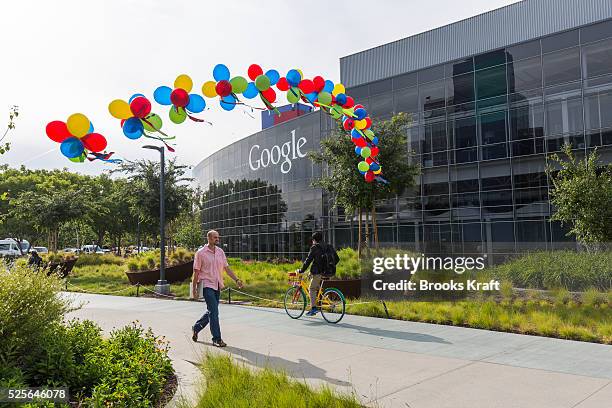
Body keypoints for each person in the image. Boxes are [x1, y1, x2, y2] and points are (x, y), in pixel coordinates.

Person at [191, 230, 243, 347]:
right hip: (206, 285)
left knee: (211, 311)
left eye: (218, 237)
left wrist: (237, 279)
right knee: (214, 311)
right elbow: (196, 272)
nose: (217, 239)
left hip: (217, 284)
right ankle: (217, 339)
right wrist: (194, 289)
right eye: (215, 237)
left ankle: (196, 327)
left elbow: (227, 268)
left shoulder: (220, 252)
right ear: (208, 238)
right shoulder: (200, 253)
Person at [297, 231, 339, 316]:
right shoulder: (329, 246)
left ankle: (313, 308)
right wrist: (328, 267)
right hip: (329, 271)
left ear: (314, 240)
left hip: (318, 272)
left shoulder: (314, 248)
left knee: (311, 288)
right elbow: (337, 259)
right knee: (316, 284)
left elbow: (308, 261)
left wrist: (301, 271)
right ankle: (323, 297)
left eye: (312, 240)